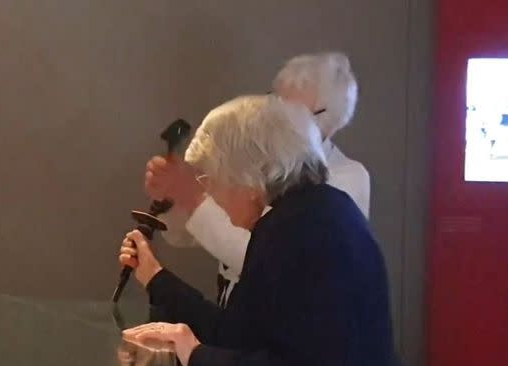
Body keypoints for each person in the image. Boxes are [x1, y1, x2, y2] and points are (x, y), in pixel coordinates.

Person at [119, 95, 419, 366]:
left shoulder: (303, 233)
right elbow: (245, 332)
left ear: (251, 176)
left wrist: (195, 355)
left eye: (214, 180)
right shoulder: (315, 217)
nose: (215, 198)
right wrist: (160, 284)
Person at [151, 52, 370, 308]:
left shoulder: (345, 179)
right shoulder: (257, 159)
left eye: (291, 110)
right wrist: (170, 196)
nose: (273, 117)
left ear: (329, 121)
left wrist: (191, 197)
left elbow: (267, 262)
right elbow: (189, 235)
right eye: (274, 102)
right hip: (234, 308)